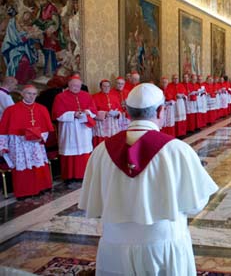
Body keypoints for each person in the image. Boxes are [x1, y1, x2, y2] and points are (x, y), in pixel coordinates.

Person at [79, 83, 218, 275]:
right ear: (161, 111)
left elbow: (94, 202)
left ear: (126, 112)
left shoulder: (101, 151)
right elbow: (195, 204)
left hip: (114, 245)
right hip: (162, 243)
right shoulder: (177, 150)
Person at [0, 85, 54, 198]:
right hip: (19, 144)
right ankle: (24, 192)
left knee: (38, 165)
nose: (32, 96)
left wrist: (41, 138)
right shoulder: (11, 110)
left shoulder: (41, 109)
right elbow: (3, 131)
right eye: (29, 93)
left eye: (34, 94)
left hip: (36, 144)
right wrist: (3, 146)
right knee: (22, 167)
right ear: (23, 94)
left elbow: (46, 129)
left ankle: (40, 188)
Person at [52, 75, 97, 180]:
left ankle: (84, 175)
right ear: (69, 85)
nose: (76, 87)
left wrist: (88, 112)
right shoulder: (60, 97)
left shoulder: (87, 95)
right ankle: (69, 176)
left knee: (84, 153)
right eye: (73, 85)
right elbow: (57, 114)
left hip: (83, 128)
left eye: (78, 85)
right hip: (69, 128)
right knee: (70, 152)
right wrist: (73, 114)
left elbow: (93, 110)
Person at [92, 79, 122, 147]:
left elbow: (119, 109)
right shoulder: (94, 97)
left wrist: (117, 113)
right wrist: (105, 114)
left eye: (108, 86)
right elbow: (93, 112)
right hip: (101, 124)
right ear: (100, 87)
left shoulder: (114, 97)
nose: (106, 88)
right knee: (102, 144)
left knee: (113, 143)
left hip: (113, 124)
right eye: (104, 86)